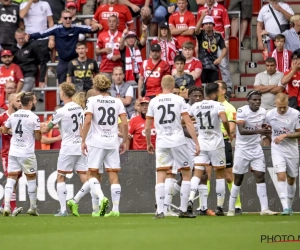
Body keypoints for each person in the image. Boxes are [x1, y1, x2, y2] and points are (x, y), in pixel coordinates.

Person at [145, 75, 200, 219]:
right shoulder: (179, 100)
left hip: (162, 142)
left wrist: (148, 142)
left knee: (161, 176)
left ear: (161, 85)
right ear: (173, 85)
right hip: (178, 141)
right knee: (187, 173)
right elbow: (188, 123)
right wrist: (197, 142)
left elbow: (148, 125)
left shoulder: (153, 101)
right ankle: (183, 210)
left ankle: (160, 211)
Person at [81, 74, 128, 217]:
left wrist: (83, 140)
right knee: (113, 175)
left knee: (92, 174)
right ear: (109, 86)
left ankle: (96, 209)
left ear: (95, 86)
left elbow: (88, 121)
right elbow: (125, 123)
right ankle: (115, 209)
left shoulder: (92, 100)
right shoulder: (117, 102)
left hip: (96, 142)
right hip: (112, 142)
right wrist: (124, 141)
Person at [227, 90, 278, 216]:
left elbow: (265, 130)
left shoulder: (263, 112)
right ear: (248, 100)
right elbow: (242, 130)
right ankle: (231, 209)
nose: (257, 102)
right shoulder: (242, 111)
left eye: (259, 100)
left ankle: (265, 209)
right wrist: (259, 131)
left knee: (260, 175)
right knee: (238, 179)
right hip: (242, 149)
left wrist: (273, 141)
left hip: (256, 148)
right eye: (254, 100)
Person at [40, 82, 87, 216]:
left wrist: (39, 127)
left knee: (61, 176)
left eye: (60, 91)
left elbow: (47, 128)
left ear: (63, 94)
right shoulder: (79, 108)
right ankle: (97, 203)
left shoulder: (60, 111)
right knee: (85, 177)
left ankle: (63, 210)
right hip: (80, 145)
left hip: (67, 147)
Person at [188, 82, 231, 216]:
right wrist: (229, 133)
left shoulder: (196, 105)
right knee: (220, 174)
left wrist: (194, 122)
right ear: (214, 94)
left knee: (198, 173)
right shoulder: (218, 105)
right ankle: (219, 206)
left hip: (202, 142)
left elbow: (186, 119)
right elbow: (224, 120)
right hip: (216, 143)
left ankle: (190, 200)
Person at [26, 9, 99, 84]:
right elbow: (42, 33)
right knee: (63, 88)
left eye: (70, 18)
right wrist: (30, 36)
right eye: (65, 18)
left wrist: (97, 27)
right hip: (63, 62)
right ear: (61, 19)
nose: (68, 20)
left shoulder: (76, 28)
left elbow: (91, 29)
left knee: (78, 86)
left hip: (75, 61)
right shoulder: (56, 29)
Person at [2, 92, 41, 216]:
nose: (35, 102)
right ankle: (33, 207)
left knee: (11, 178)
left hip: (13, 152)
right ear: (29, 103)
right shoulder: (34, 117)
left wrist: (11, 132)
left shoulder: (13, 116)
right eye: (33, 101)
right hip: (27, 153)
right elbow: (38, 137)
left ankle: (7, 205)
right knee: (31, 178)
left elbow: (4, 129)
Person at [67, 89, 103, 217]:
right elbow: (83, 131)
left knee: (96, 178)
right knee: (94, 177)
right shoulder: (89, 113)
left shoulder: (84, 113)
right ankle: (89, 206)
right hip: (92, 147)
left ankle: (92, 209)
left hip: (90, 146)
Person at [265, 93, 299, 215]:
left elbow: (299, 133)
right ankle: (285, 207)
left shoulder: (295, 114)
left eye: (285, 107)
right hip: (277, 149)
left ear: (288, 104)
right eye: (280, 107)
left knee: (291, 179)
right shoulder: (269, 115)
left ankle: (289, 206)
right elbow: (265, 128)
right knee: (281, 175)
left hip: (292, 150)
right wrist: (272, 138)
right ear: (275, 104)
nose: (283, 109)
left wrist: (285, 135)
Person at [216, 80, 242, 214]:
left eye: (218, 88)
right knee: (206, 174)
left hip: (223, 142)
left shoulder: (229, 108)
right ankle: (203, 207)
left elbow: (231, 129)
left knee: (228, 175)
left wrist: (219, 135)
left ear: (224, 91)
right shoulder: (210, 106)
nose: (215, 89)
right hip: (210, 144)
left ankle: (237, 205)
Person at [197, 0, 232, 93]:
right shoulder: (201, 10)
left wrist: (227, 40)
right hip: (205, 40)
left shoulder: (222, 8)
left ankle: (228, 88)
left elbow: (227, 25)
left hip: (218, 39)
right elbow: (197, 29)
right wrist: (202, 17)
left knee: (223, 64)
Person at [20, 0, 55, 89]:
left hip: (43, 38)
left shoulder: (45, 4)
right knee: (30, 63)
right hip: (29, 38)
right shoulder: (24, 4)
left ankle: (43, 88)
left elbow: (50, 22)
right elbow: (22, 15)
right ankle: (30, 89)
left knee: (43, 63)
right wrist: (30, 2)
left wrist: (51, 38)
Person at [0, 93, 22, 216]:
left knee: (16, 180)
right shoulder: (3, 117)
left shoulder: (21, 117)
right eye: (18, 101)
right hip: (7, 153)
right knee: (11, 178)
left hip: (20, 152)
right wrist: (4, 130)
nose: (20, 103)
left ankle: (4, 204)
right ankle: (12, 207)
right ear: (11, 102)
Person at [195, 15, 227, 85]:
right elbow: (196, 30)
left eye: (210, 23)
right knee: (202, 87)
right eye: (206, 24)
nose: (208, 25)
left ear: (213, 25)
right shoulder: (201, 34)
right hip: (202, 66)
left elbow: (224, 48)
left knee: (213, 88)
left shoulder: (218, 35)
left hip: (213, 66)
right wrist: (201, 18)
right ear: (203, 25)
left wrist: (220, 58)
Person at [96, 15, 122, 82]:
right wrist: (104, 50)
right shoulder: (101, 35)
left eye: (114, 21)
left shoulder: (122, 35)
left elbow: (128, 53)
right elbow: (96, 52)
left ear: (117, 23)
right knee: (104, 91)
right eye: (110, 21)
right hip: (105, 69)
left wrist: (118, 56)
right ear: (107, 23)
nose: (111, 23)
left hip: (118, 70)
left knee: (118, 91)